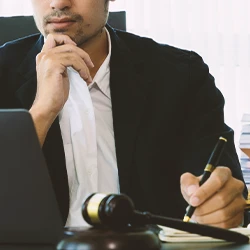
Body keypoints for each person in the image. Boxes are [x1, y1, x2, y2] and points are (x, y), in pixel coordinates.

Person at [0, 0, 247, 229]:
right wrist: (42, 110)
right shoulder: (4, 72)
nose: (58, 2)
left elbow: (225, 189)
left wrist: (222, 204)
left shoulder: (182, 76)